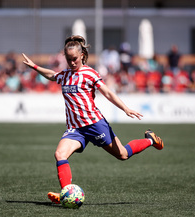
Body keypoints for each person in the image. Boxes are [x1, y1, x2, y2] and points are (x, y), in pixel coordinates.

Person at [22, 35, 164, 204]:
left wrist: (125, 108)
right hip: (75, 129)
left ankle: (150, 140)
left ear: (82, 55)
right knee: (60, 154)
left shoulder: (89, 73)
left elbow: (108, 93)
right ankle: (66, 193)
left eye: (74, 59)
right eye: (68, 60)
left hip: (94, 124)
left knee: (123, 155)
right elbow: (53, 75)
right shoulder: (66, 74)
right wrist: (35, 67)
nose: (72, 62)